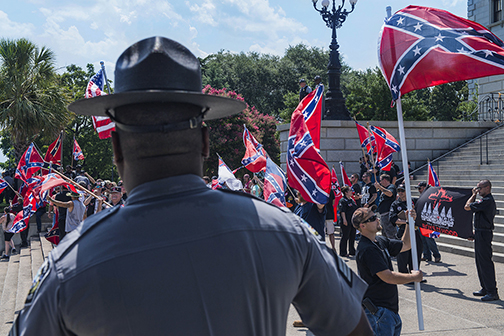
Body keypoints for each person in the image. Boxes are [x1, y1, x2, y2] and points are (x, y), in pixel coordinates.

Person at [11, 36, 372, 336]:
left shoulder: (69, 263)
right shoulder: (286, 232)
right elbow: (354, 328)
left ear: (117, 148)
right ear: (204, 141)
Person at [352, 206, 423, 336]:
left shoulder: (379, 241)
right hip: (378, 312)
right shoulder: (366, 249)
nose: (377, 219)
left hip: (388, 311)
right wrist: (413, 277)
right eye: (372, 218)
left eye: (375, 216)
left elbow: (406, 245)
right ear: (363, 226)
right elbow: (388, 277)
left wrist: (409, 222)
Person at [464, 179, 499, 302]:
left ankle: (492, 291)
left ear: (487, 188)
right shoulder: (484, 201)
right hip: (480, 232)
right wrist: (475, 233)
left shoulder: (487, 201)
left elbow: (467, 206)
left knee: (485, 263)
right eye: (477, 188)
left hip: (484, 234)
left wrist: (473, 194)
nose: (478, 190)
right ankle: (485, 288)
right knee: (479, 262)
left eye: (480, 188)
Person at [390, 184, 424, 277]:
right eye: (399, 191)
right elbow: (393, 219)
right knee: (402, 254)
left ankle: (415, 275)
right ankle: (404, 276)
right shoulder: (395, 204)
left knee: (416, 253)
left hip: (415, 230)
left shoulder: (414, 201)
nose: (400, 193)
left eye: (402, 190)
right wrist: (407, 221)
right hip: (403, 231)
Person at [416, 182, 442, 263]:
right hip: (422, 220)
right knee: (423, 239)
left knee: (429, 239)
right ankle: (426, 255)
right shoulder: (422, 196)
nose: (419, 190)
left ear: (424, 188)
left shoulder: (431, 196)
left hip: (429, 221)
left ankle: (437, 255)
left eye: (420, 188)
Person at [375, 174, 397, 239]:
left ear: (384, 180)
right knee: (384, 233)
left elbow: (390, 194)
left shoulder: (391, 186)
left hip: (388, 213)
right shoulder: (384, 188)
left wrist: (380, 187)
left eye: (381, 180)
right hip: (383, 214)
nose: (380, 182)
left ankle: (393, 247)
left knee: (390, 233)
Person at [338, 185, 358, 257]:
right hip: (346, 220)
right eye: (350, 190)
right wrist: (344, 220)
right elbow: (342, 211)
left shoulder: (351, 200)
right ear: (346, 192)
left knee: (352, 236)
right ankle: (343, 252)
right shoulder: (343, 200)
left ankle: (352, 251)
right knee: (345, 236)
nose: (351, 192)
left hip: (352, 221)